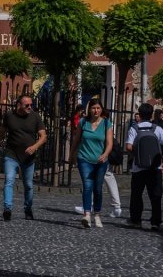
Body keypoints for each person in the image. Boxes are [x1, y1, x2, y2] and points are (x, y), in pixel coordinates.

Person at [0, 94, 48, 222]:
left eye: (31, 105)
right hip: (12, 154)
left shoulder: (35, 117)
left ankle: (28, 208)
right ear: (19, 105)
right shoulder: (10, 116)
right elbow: (2, 132)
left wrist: (35, 146)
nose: (29, 107)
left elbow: (43, 136)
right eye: (26, 105)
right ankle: (7, 209)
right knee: (9, 180)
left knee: (28, 185)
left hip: (28, 156)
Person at [69, 97, 114, 229]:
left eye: (98, 108)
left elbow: (109, 143)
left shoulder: (106, 124)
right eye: (93, 108)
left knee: (98, 189)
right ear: (90, 109)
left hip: (101, 160)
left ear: (101, 109)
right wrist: (72, 155)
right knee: (87, 186)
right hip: (84, 158)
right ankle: (87, 215)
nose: (96, 110)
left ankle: (97, 214)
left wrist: (105, 155)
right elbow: (76, 140)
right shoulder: (83, 122)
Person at [126, 102, 163, 231]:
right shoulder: (157, 129)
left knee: (136, 194)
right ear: (151, 115)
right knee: (155, 196)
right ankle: (155, 222)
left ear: (139, 115)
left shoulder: (134, 128)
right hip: (154, 167)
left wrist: (137, 154)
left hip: (138, 168)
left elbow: (128, 146)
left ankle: (136, 220)